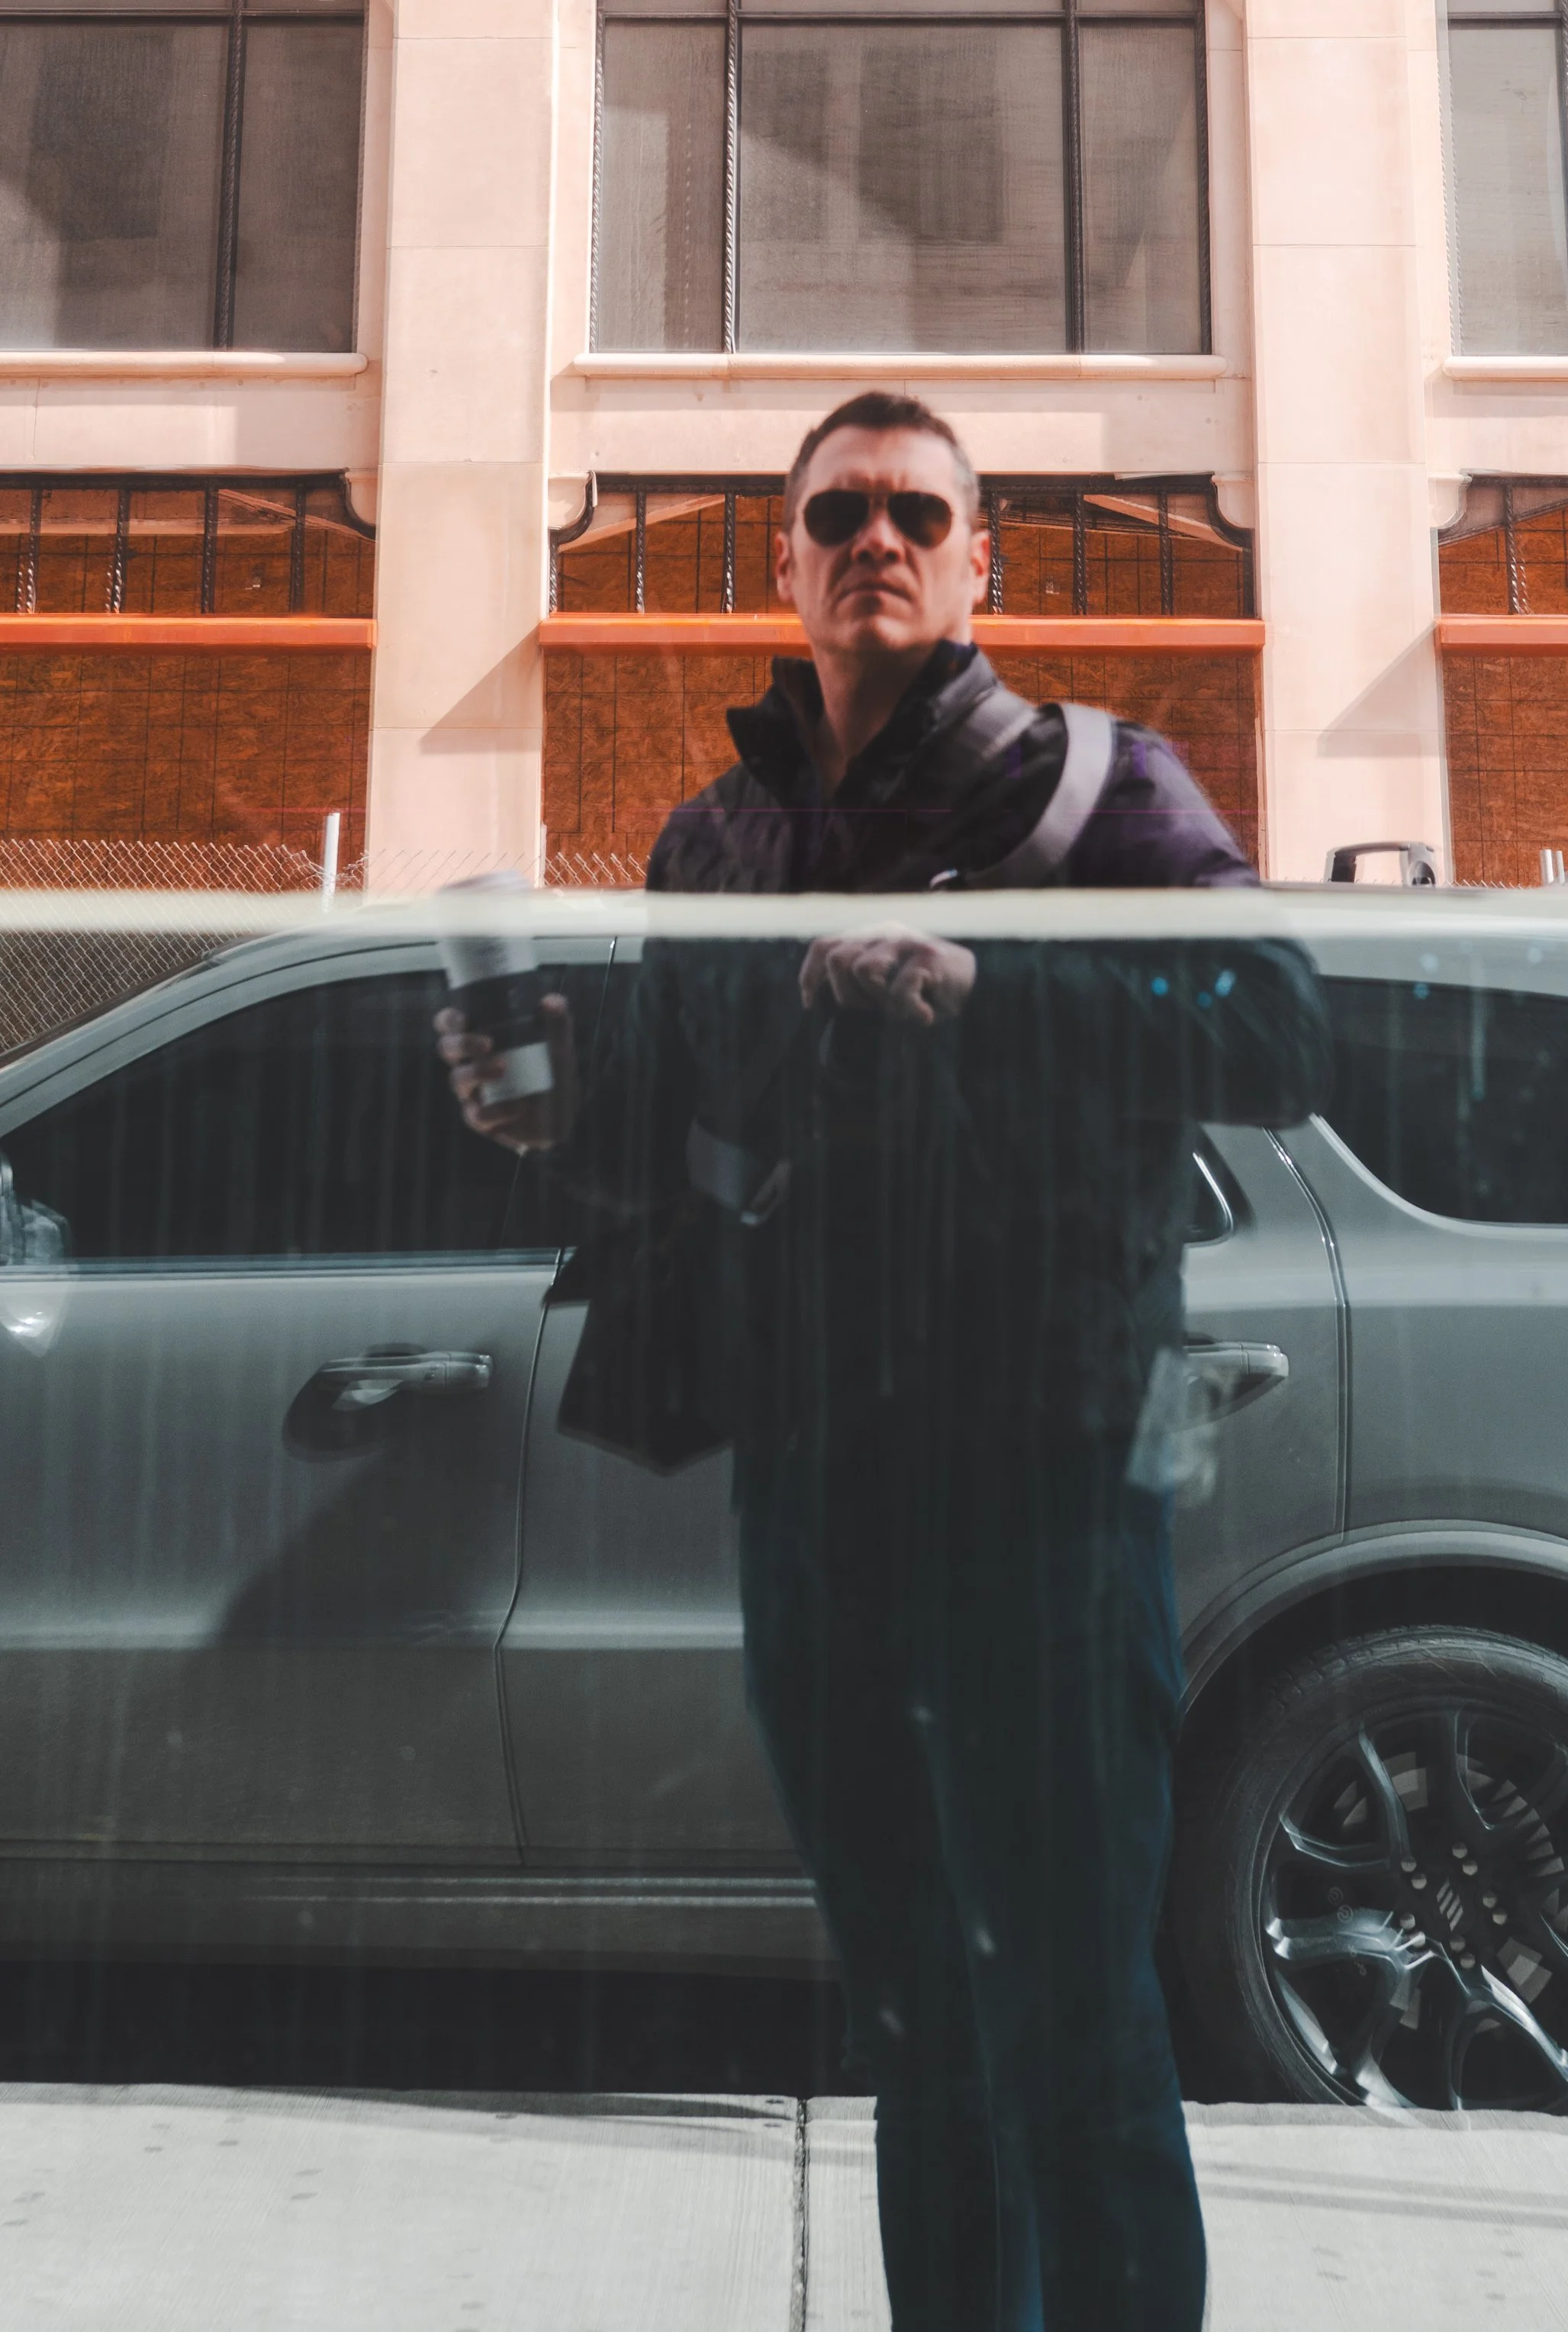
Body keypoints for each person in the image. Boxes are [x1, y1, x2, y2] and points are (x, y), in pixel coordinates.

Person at [439, 391, 1329, 2332]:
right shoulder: (721, 835)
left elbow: (1273, 1028)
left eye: (915, 511)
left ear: (980, 554)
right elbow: (680, 1135)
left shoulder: (1101, 788)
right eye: (834, 512)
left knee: (1074, 2022)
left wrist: (988, 987)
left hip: (1046, 1483)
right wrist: (551, 1116)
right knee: (917, 2021)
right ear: (782, 558)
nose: (875, 540)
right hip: (815, 1486)